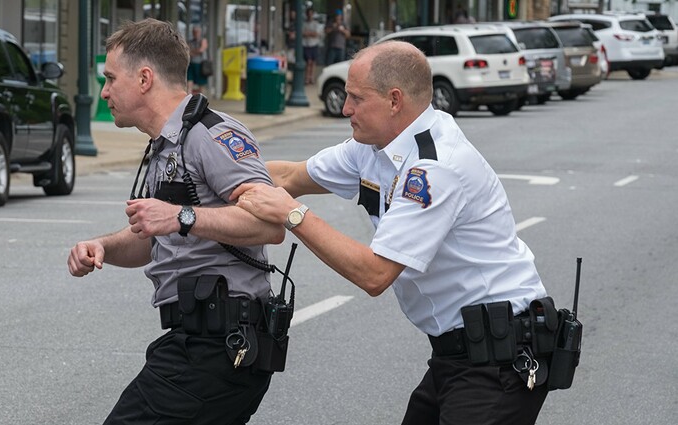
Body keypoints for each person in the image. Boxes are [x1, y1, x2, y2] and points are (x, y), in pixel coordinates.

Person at [231, 41, 551, 424]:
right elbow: (288, 177)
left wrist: (293, 215)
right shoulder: (373, 146)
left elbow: (376, 274)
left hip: (499, 358)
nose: (345, 108)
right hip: (460, 354)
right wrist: (209, 170)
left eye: (356, 98)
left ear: (394, 100)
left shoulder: (435, 167)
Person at [68, 18, 285, 424]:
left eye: (111, 79)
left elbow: (270, 224)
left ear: (145, 78)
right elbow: (155, 235)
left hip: (219, 347)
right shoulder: (167, 145)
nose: (105, 91)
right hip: (196, 343)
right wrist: (103, 247)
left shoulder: (212, 134)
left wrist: (181, 215)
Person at [187, 25, 208, 94]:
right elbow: (188, 51)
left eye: (197, 32)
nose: (195, 33)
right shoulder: (190, 42)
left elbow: (201, 50)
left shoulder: (203, 40)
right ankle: (189, 99)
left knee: (201, 85)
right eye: (194, 32)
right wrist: (195, 52)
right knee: (189, 82)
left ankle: (202, 101)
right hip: (191, 64)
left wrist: (193, 52)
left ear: (200, 32)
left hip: (200, 65)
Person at [303, 7, 321, 84]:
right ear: (307, 14)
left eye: (311, 14)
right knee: (308, 62)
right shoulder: (304, 23)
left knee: (313, 62)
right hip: (306, 45)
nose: (309, 15)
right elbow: (302, 33)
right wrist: (311, 33)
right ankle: (307, 78)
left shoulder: (316, 24)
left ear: (313, 14)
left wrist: (308, 33)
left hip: (314, 45)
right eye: (308, 14)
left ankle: (312, 78)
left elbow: (316, 34)